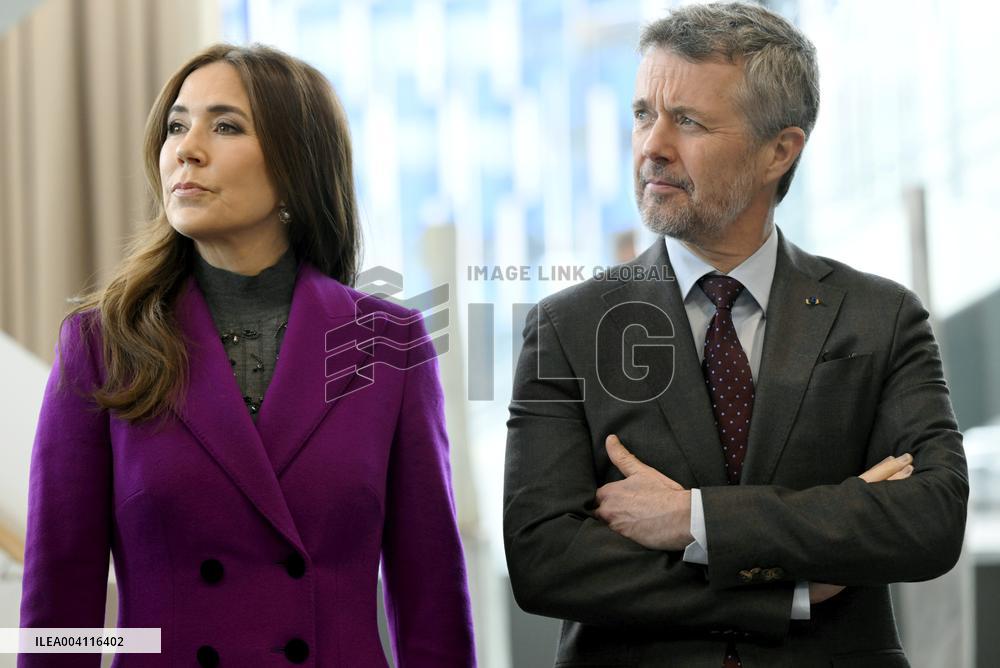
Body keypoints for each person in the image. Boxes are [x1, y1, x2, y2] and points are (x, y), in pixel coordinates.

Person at [503, 3, 967, 666]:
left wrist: (694, 520)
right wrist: (787, 591)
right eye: (643, 113)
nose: (651, 146)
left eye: (687, 121)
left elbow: (931, 517)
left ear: (779, 150)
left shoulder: (880, 318)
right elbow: (544, 559)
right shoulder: (567, 329)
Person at [19, 43, 476, 667]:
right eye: (177, 125)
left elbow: (433, 607)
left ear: (295, 166)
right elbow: (57, 611)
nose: (187, 148)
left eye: (225, 125)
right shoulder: (100, 345)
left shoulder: (389, 344)